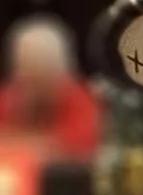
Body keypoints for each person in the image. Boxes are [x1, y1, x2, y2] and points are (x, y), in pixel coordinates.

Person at [0, 15, 101, 163]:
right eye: (26, 69)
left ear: (61, 71)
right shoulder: (12, 94)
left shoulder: (83, 101)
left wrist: (18, 144)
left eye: (41, 71)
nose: (31, 82)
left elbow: (73, 149)